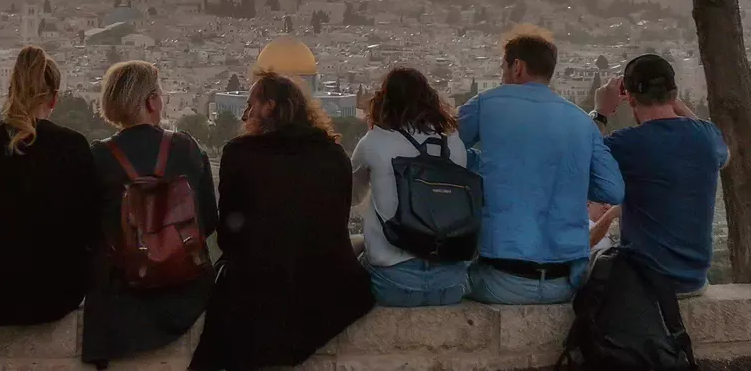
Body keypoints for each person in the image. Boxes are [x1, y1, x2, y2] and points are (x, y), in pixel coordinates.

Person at [190, 71, 374, 371]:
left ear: (270, 107)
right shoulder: (334, 155)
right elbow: (336, 224)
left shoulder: (239, 153)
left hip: (260, 288)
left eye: (251, 104)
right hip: (323, 287)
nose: (247, 113)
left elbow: (228, 234)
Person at [458, 27, 625, 305]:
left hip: (500, 279)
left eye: (503, 68)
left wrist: (481, 164)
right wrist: (570, 175)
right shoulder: (580, 120)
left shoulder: (487, 103)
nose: (502, 76)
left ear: (517, 67)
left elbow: (443, 150)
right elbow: (614, 189)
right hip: (565, 284)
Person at [82, 61, 217, 367]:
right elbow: (208, 219)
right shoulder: (187, 148)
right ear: (152, 101)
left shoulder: (98, 157)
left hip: (120, 303)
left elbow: (87, 230)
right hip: (186, 295)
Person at [0, 46, 92, 326]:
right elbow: (88, 229)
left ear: (11, 89)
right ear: (54, 98)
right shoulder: (73, 147)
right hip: (56, 297)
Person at [592, 54, 729, 297]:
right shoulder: (707, 136)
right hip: (694, 281)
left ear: (630, 98)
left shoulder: (628, 143)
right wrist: (677, 106)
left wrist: (601, 112)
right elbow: (722, 156)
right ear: (673, 92)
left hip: (645, 281)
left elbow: (579, 159)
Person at [351, 67, 471, 307]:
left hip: (393, 285)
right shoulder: (454, 143)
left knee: (355, 245)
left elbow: (352, 195)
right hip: (450, 285)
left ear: (384, 101)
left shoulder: (374, 141)